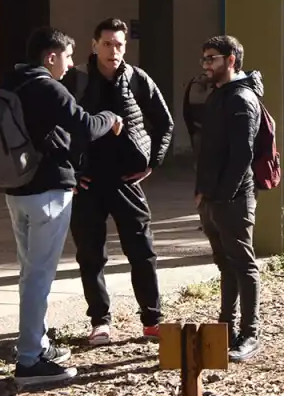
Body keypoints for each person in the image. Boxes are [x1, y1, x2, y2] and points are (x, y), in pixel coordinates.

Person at [4, 27, 123, 387]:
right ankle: (29, 363)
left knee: (30, 273)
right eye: (68, 57)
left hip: (17, 191)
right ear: (50, 56)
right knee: (39, 276)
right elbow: (85, 125)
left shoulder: (11, 83)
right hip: (48, 192)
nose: (71, 66)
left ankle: (36, 345)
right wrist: (111, 118)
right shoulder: (46, 86)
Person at [63, 18, 174, 345]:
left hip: (126, 181)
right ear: (94, 45)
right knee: (90, 254)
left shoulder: (137, 79)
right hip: (88, 182)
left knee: (142, 251)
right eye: (108, 44)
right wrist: (70, 172)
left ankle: (152, 320)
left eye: (119, 44)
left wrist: (153, 162)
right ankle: (100, 321)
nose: (114, 51)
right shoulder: (75, 80)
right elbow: (55, 128)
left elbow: (164, 124)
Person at [195, 35, 265, 362]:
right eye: (204, 59)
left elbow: (242, 155)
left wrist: (223, 196)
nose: (206, 65)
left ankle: (250, 334)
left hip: (234, 198)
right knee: (225, 264)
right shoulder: (219, 95)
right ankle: (225, 327)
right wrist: (202, 192)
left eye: (212, 58)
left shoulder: (241, 98)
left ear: (231, 60)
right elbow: (208, 149)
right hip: (212, 198)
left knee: (243, 264)